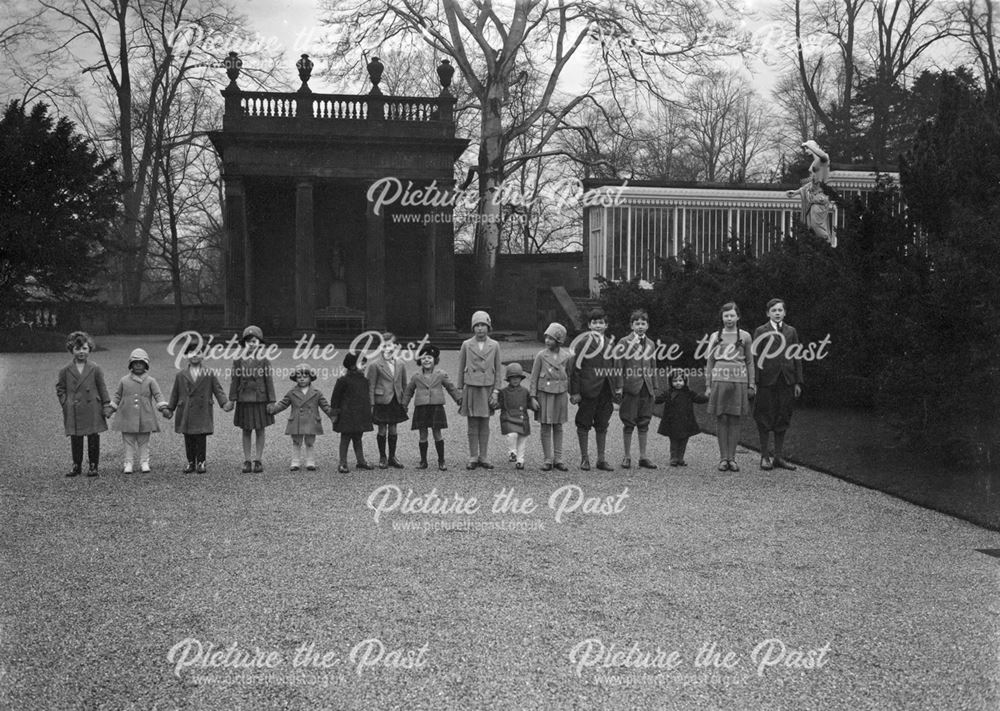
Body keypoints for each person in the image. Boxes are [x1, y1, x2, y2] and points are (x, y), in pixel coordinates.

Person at [752, 298, 804, 471]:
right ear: (768, 313)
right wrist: (755, 381)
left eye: (780, 310)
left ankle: (778, 457)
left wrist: (797, 381)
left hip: (787, 380)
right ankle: (764, 457)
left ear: (784, 312)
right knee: (765, 416)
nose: (777, 313)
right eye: (773, 310)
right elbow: (756, 356)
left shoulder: (791, 331)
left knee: (783, 416)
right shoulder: (761, 330)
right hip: (767, 380)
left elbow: (796, 356)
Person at [166, 341, 232, 473]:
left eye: (198, 352)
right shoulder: (180, 375)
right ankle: (190, 462)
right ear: (186, 355)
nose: (195, 355)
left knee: (201, 437)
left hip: (202, 410)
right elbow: (175, 393)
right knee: (188, 437)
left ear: (203, 355)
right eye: (191, 352)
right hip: (186, 410)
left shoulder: (209, 373)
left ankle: (201, 462)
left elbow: (217, 389)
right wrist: (170, 408)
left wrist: (224, 403)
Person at [704, 302, 756, 472]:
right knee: (721, 418)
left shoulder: (745, 336)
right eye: (726, 316)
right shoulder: (714, 336)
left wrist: (751, 383)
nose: (729, 319)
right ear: (722, 317)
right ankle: (723, 458)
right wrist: (708, 385)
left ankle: (732, 458)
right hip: (719, 380)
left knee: (734, 418)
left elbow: (749, 361)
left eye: (732, 315)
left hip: (739, 380)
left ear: (738, 317)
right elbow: (710, 361)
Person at [56, 331, 111, 477]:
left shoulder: (95, 368)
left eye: (84, 349)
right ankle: (76, 465)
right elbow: (60, 388)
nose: (81, 352)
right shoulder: (65, 370)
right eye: (77, 349)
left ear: (90, 349)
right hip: (74, 408)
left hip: (92, 407)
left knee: (93, 436)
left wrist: (106, 404)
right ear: (71, 350)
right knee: (76, 437)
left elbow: (102, 387)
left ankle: (93, 465)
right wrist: (65, 402)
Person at [108, 348, 171, 473]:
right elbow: (117, 395)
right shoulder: (124, 380)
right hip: (127, 415)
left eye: (141, 363)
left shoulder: (151, 381)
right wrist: (111, 408)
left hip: (145, 415)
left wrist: (163, 407)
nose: (138, 365)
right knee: (128, 441)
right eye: (135, 363)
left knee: (144, 441)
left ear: (146, 365)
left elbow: (158, 395)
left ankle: (144, 462)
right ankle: (128, 462)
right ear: (130, 365)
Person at [569, 308, 616, 471]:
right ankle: (585, 458)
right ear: (589, 325)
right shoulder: (583, 342)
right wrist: (575, 392)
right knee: (584, 423)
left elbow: (614, 366)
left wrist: (617, 387)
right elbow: (575, 368)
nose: (598, 325)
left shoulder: (610, 342)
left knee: (603, 423)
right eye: (594, 322)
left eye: (601, 322)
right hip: (588, 389)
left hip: (606, 389)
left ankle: (601, 459)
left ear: (606, 325)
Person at [401, 343, 461, 470]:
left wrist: (459, 399)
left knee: (437, 433)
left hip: (436, 408)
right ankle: (423, 461)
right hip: (421, 408)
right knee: (422, 434)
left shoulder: (441, 374)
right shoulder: (416, 376)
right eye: (423, 358)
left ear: (435, 360)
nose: (426, 360)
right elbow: (408, 391)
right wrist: (404, 405)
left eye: (429, 358)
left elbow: (450, 387)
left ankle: (441, 461)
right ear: (419, 361)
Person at [614, 310, 661, 469]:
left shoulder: (651, 344)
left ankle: (643, 456)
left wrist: (654, 386)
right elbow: (618, 365)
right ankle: (627, 456)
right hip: (631, 387)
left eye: (643, 324)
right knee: (629, 421)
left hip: (646, 388)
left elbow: (653, 366)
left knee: (644, 421)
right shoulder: (624, 342)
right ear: (631, 325)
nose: (640, 327)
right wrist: (619, 386)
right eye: (637, 324)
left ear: (647, 325)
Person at [457, 310, 503, 470]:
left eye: (483, 325)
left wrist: (496, 391)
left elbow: (498, 369)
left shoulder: (495, 345)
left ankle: (484, 456)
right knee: (472, 423)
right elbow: (460, 367)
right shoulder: (466, 345)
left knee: (485, 422)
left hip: (487, 388)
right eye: (477, 325)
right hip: (471, 387)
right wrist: (460, 390)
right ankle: (473, 456)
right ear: (473, 328)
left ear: (488, 327)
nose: (480, 328)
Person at [229, 325, 275, 473]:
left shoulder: (264, 360)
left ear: (260, 343)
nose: (252, 344)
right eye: (249, 341)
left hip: (260, 399)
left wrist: (271, 401)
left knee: (260, 430)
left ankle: (258, 460)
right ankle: (247, 460)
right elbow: (234, 381)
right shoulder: (238, 360)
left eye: (255, 341)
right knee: (246, 430)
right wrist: (232, 399)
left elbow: (269, 381)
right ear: (244, 343)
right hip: (244, 399)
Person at [269, 365, 332, 471]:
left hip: (311, 420)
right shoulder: (291, 392)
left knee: (310, 442)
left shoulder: (317, 392)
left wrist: (333, 414)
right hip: (297, 420)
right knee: (296, 442)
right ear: (295, 379)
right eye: (299, 377)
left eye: (305, 376)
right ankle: (295, 462)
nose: (302, 379)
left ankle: (310, 462)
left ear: (310, 378)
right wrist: (273, 409)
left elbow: (325, 406)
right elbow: (283, 404)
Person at [530, 322, 573, 471]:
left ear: (559, 340)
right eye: (546, 337)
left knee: (558, 425)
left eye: (552, 338)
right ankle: (547, 459)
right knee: (545, 426)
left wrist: (573, 393)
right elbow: (533, 378)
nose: (547, 341)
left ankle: (558, 458)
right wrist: (533, 396)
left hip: (560, 394)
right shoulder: (541, 356)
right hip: (545, 394)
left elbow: (570, 376)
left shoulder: (566, 356)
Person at [367, 332, 409, 469]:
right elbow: (371, 385)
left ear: (395, 346)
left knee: (393, 429)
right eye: (384, 346)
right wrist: (371, 404)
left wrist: (405, 402)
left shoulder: (401, 364)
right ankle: (382, 457)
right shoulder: (375, 365)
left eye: (390, 345)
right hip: (381, 400)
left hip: (396, 400)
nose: (387, 349)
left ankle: (392, 456)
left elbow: (404, 385)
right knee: (382, 429)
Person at [329, 351, 374, 472]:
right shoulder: (343, 380)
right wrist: (335, 413)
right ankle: (342, 463)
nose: (365, 366)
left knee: (358, 438)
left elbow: (366, 398)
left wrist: (368, 411)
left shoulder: (365, 381)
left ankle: (361, 461)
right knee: (345, 438)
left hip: (360, 414)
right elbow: (335, 398)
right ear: (353, 366)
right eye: (362, 363)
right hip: (346, 415)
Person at [655, 370, 709, 467]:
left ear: (685, 381)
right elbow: (659, 399)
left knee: (684, 440)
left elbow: (698, 399)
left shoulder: (689, 393)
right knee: (674, 440)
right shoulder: (669, 393)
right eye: (675, 381)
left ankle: (680, 458)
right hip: (672, 421)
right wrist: (652, 396)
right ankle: (673, 458)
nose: (678, 383)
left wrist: (707, 396)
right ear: (671, 382)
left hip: (686, 421)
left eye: (680, 380)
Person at [787, 140, 835, 245]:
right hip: (813, 199)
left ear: (815, 147)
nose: (806, 150)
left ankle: (827, 243)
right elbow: (811, 184)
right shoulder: (814, 163)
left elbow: (823, 155)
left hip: (820, 198)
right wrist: (797, 192)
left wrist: (810, 146)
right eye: (805, 148)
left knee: (815, 225)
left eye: (807, 148)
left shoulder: (824, 160)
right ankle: (817, 246)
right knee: (810, 227)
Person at [498, 363, 534, 470]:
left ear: (521, 378)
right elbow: (499, 404)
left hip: (522, 417)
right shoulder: (503, 392)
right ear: (508, 379)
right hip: (509, 417)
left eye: (517, 377)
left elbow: (529, 404)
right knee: (512, 434)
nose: (515, 380)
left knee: (522, 439)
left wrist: (535, 405)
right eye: (512, 378)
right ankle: (512, 452)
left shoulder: (525, 391)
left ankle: (520, 460)